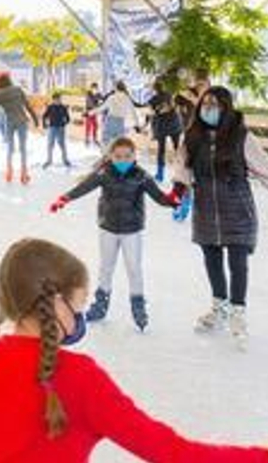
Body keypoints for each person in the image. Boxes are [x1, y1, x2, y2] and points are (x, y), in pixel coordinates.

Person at [0, 238, 268, 463]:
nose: (81, 318)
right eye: (79, 307)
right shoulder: (79, 376)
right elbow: (170, 452)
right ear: (54, 304)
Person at [172, 86, 268, 346]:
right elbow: (182, 167)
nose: (208, 109)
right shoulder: (192, 136)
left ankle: (238, 312)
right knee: (212, 258)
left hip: (237, 207)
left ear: (226, 107)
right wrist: (177, 190)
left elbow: (265, 167)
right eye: (205, 104)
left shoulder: (241, 137)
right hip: (205, 207)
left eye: (214, 104)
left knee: (238, 262)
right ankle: (219, 306)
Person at [50, 137, 178, 330]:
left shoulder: (141, 176)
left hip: (132, 230)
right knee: (106, 267)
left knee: (134, 268)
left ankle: (138, 306)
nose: (123, 160)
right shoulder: (104, 173)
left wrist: (173, 200)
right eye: (118, 156)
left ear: (134, 156)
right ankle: (100, 305)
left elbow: (159, 197)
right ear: (110, 156)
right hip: (108, 227)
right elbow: (85, 187)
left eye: (127, 156)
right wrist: (65, 198)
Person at [0, 74, 39, 184]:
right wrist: (35, 118)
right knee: (23, 148)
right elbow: (27, 106)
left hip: (9, 122)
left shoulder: (0, 94)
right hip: (22, 121)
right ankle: (24, 173)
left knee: (10, 148)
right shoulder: (18, 90)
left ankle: (9, 171)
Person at [144, 87, 183, 182]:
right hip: (175, 125)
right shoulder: (171, 95)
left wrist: (145, 124)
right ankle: (180, 172)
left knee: (161, 150)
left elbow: (150, 112)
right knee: (177, 149)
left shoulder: (154, 99)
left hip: (162, 126)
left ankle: (160, 174)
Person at [97, 80, 139, 148]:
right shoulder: (127, 98)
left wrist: (89, 113)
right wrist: (137, 125)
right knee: (119, 145)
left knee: (106, 144)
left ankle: (107, 157)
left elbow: (101, 108)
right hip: (120, 122)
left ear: (116, 87)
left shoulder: (112, 97)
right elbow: (133, 112)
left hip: (110, 121)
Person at [41, 92, 71, 168]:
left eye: (59, 99)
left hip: (61, 128)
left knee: (62, 145)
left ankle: (65, 160)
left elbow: (68, 118)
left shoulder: (63, 107)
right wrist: (44, 124)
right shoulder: (50, 107)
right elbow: (44, 116)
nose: (58, 100)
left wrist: (65, 123)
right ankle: (49, 160)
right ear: (53, 100)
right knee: (50, 144)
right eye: (56, 99)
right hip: (52, 128)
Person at [82, 82, 102, 146]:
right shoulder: (88, 93)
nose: (95, 89)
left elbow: (102, 98)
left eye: (96, 88)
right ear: (91, 88)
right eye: (94, 87)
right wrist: (97, 105)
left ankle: (95, 139)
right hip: (89, 111)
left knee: (95, 125)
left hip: (94, 112)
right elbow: (90, 102)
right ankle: (87, 139)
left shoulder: (98, 94)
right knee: (88, 126)